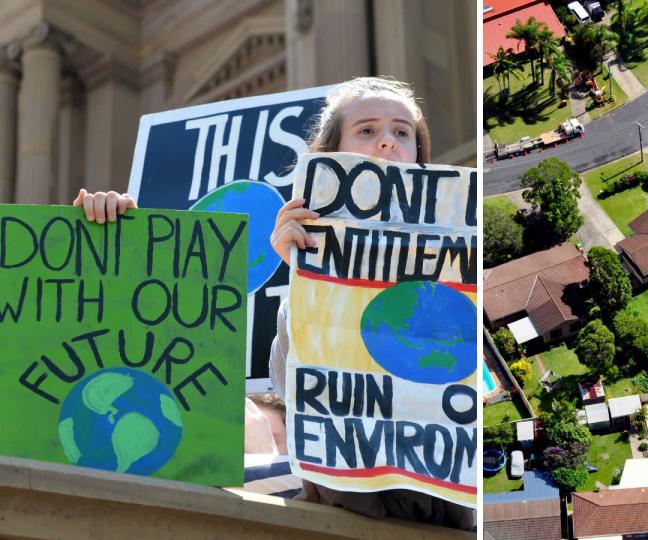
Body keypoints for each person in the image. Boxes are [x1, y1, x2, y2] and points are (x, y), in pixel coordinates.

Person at [73, 77, 474, 530]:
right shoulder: (305, 278)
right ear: (329, 157)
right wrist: (114, 237)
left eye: (403, 132)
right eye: (366, 130)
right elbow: (296, 394)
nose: (387, 141)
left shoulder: (467, 263)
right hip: (349, 519)